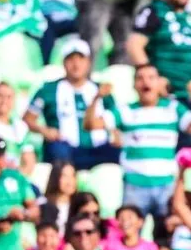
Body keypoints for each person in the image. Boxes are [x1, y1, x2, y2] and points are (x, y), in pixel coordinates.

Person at [85, 65, 191, 221]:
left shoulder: (173, 108)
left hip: (167, 186)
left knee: (166, 236)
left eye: (151, 77)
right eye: (140, 78)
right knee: (131, 239)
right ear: (133, 85)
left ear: (159, 83)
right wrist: (96, 98)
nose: (145, 82)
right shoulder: (125, 110)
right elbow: (90, 125)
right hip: (134, 185)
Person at [24, 39, 120, 170]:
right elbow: (27, 119)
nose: (76, 64)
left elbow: (117, 120)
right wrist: (44, 130)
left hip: (98, 149)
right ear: (63, 62)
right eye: (71, 59)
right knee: (57, 150)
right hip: (64, 149)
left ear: (89, 62)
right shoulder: (48, 90)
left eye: (81, 59)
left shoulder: (101, 90)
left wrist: (117, 137)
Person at [127, 0, 191, 107]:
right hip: (164, 93)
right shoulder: (154, 11)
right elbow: (134, 45)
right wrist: (153, 80)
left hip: (188, 94)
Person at [39, 161, 77, 231]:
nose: (70, 181)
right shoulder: (43, 203)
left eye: (73, 176)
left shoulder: (78, 206)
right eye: (64, 176)